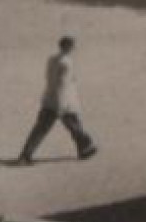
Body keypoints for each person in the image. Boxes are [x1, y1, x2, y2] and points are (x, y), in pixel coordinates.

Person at [17, 36, 98, 164]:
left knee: (44, 128)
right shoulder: (66, 63)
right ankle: (85, 146)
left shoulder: (51, 59)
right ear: (69, 47)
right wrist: (61, 104)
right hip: (63, 101)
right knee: (70, 125)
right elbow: (62, 84)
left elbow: (49, 78)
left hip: (50, 97)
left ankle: (84, 148)